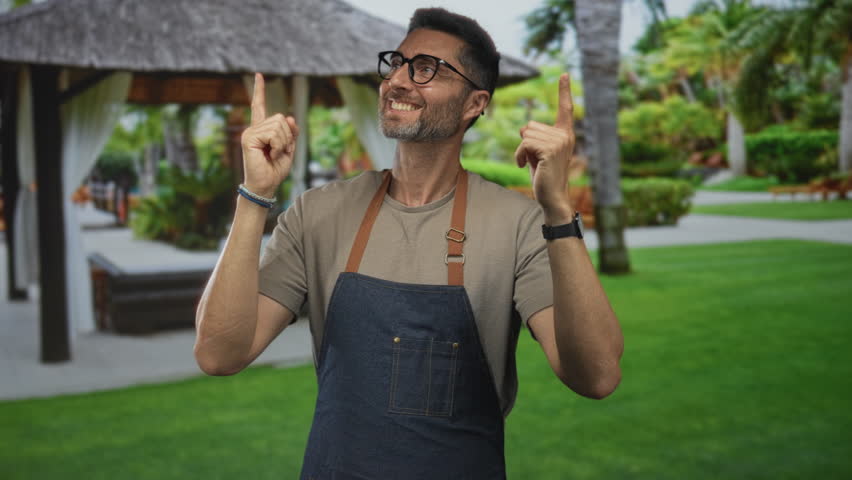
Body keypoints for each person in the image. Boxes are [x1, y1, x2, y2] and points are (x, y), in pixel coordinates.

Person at [194, 7, 624, 479]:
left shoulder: (518, 225)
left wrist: (559, 213)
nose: (397, 79)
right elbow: (219, 353)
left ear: (474, 103)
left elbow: (597, 376)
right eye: (396, 63)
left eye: (425, 69)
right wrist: (254, 196)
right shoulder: (318, 213)